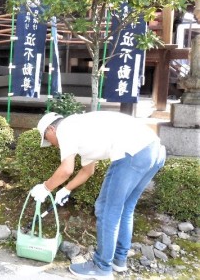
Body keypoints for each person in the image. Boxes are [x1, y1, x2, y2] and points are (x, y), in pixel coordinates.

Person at [31, 111, 166, 280]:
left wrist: (45, 188)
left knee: (106, 209)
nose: (51, 144)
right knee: (125, 208)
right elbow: (88, 171)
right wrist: (66, 189)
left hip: (132, 153)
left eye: (47, 139)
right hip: (153, 150)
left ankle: (101, 266)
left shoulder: (65, 128)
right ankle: (119, 260)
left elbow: (66, 169)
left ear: (51, 129)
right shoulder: (82, 132)